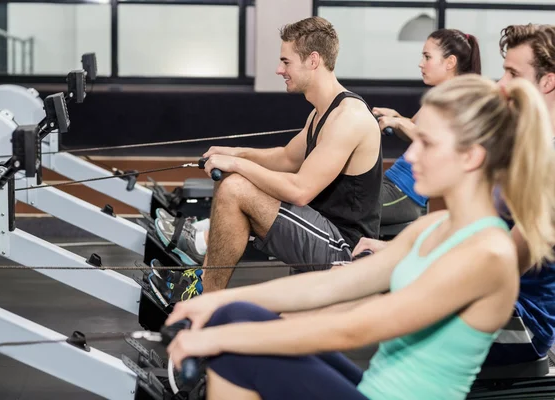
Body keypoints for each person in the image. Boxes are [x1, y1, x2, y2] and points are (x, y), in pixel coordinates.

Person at [164, 74, 555, 400]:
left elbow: (358, 327)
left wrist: (216, 341)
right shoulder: (432, 228)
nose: (410, 155)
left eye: (427, 143)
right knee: (235, 315)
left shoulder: (487, 254)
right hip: (372, 389)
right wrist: (213, 303)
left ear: (471, 157)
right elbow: (335, 284)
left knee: (236, 353)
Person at [356, 23, 555, 367]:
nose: (500, 84)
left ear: (547, 82)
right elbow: (474, 225)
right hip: (486, 294)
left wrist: (413, 258)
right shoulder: (521, 143)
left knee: (392, 315)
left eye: (512, 73)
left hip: (520, 319)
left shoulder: (548, 164)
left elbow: (503, 261)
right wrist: (400, 249)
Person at [149, 16, 383, 305]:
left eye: (286, 62)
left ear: (313, 60)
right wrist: (233, 152)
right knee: (235, 186)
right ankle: (204, 282)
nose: (278, 69)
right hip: (321, 230)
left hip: (345, 250)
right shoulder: (321, 113)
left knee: (236, 187)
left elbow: (300, 190)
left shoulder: (348, 118)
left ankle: (203, 300)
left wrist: (236, 165)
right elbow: (285, 158)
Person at [374, 28, 481, 226]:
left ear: (450, 62)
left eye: (427, 57)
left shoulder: (458, 98)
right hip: (392, 183)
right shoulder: (439, 96)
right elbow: (413, 128)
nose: (421, 63)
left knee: (343, 204)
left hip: (403, 195)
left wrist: (398, 122)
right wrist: (395, 117)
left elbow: (435, 141)